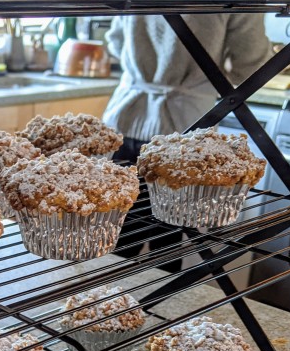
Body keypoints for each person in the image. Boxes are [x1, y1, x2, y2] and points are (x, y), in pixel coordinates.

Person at [103, 14, 273, 262]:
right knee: (167, 242)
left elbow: (115, 42)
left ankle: (111, 288)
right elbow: (250, 68)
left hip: (126, 117)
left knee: (117, 237)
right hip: (187, 130)